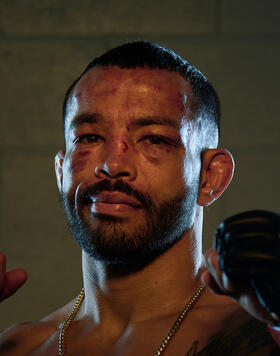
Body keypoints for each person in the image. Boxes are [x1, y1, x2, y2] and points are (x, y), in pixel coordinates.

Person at [0, 41, 279, 355]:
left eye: (154, 140)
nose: (112, 165)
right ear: (61, 170)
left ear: (210, 177)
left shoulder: (261, 332)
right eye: (89, 137)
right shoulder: (20, 348)